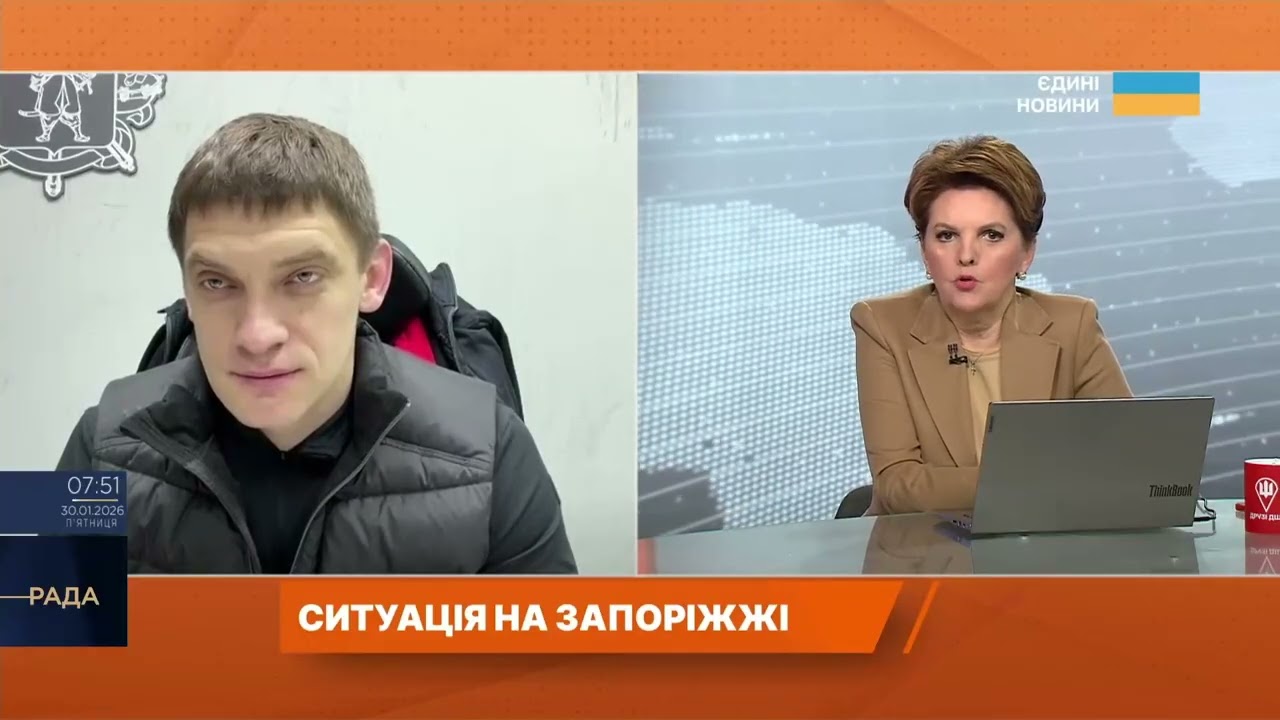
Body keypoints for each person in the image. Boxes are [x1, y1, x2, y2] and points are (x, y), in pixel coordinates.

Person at [56, 113, 578, 574]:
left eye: (302, 277)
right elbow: (44, 643)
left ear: (371, 278)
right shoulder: (98, 447)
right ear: (187, 291)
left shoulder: (491, 450)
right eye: (217, 282)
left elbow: (543, 657)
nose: (257, 335)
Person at [850, 135, 1132, 516]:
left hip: (1047, 544)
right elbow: (899, 486)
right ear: (925, 252)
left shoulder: (1072, 326)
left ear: (1027, 253)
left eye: (991, 235)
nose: (966, 255)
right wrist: (1044, 482)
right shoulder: (883, 326)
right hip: (920, 545)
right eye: (947, 235)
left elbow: (1126, 462)